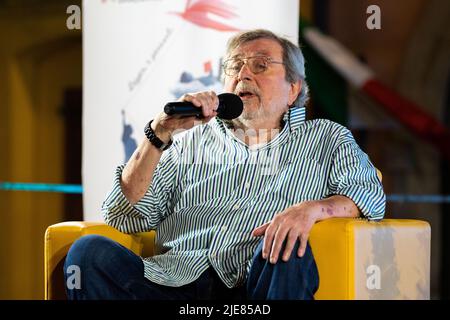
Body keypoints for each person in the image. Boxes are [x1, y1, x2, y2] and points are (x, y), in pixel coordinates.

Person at [64, 29, 385, 300]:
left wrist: (311, 210)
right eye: (235, 67)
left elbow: (369, 195)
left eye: (260, 66)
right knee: (88, 253)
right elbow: (123, 216)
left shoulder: (326, 138)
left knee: (289, 249)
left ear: (294, 88)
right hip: (175, 281)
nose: (244, 74)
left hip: (257, 281)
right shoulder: (188, 142)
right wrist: (158, 134)